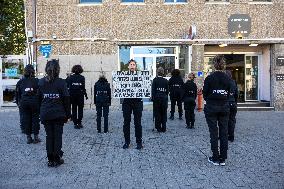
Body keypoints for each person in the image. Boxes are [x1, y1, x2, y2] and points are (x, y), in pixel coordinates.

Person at [38, 59, 71, 167]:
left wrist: (40, 112)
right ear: (58, 70)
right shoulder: (61, 82)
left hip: (46, 113)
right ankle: (56, 158)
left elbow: (38, 99)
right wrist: (68, 115)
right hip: (58, 114)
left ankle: (50, 160)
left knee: (49, 136)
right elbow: (66, 99)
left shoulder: (41, 82)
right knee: (57, 136)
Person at [203, 55, 231, 166]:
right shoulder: (228, 78)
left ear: (214, 65)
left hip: (211, 107)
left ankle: (215, 157)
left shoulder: (209, 78)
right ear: (223, 65)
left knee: (213, 132)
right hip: (224, 107)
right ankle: (223, 158)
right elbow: (228, 93)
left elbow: (205, 94)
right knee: (224, 132)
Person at [16, 65, 41, 144]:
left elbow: (17, 94)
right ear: (33, 71)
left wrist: (19, 103)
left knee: (26, 119)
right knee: (35, 119)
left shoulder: (20, 81)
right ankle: (36, 137)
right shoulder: (37, 81)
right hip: (35, 102)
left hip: (24, 103)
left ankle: (28, 137)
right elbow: (40, 93)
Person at [122, 59, 143, 150]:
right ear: (128, 66)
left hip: (137, 102)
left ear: (135, 66)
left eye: (133, 64)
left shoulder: (141, 76)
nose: (132, 66)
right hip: (127, 102)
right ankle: (127, 142)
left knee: (137, 123)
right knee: (126, 122)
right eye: (130, 64)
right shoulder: (123, 76)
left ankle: (139, 142)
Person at [66, 65, 88, 129]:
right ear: (80, 70)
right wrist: (85, 95)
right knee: (80, 109)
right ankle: (79, 123)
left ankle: (75, 123)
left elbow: (69, 87)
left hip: (72, 95)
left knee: (74, 109)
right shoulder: (82, 77)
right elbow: (83, 87)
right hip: (80, 95)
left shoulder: (70, 78)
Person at [151, 67, 169, 132]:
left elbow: (153, 90)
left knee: (157, 113)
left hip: (157, 98)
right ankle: (164, 128)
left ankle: (158, 127)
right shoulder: (166, 81)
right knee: (164, 113)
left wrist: (153, 98)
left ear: (157, 72)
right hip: (164, 98)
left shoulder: (155, 80)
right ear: (163, 72)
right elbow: (167, 91)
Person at [225, 70, 238, 142]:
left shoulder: (224, 82)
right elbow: (236, 94)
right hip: (232, 103)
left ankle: (223, 135)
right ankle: (231, 136)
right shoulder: (234, 82)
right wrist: (235, 102)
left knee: (223, 120)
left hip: (225, 103)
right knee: (232, 120)